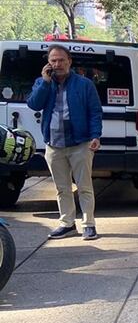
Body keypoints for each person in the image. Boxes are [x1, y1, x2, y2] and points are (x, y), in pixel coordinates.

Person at [27, 45, 103, 240]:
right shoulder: (42, 83)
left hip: (80, 143)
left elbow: (95, 111)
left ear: (69, 61)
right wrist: (45, 82)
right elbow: (34, 104)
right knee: (62, 188)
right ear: (48, 63)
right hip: (54, 144)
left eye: (61, 60)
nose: (57, 64)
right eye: (53, 60)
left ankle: (89, 224)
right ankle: (67, 223)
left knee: (84, 186)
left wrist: (95, 135)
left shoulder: (84, 84)